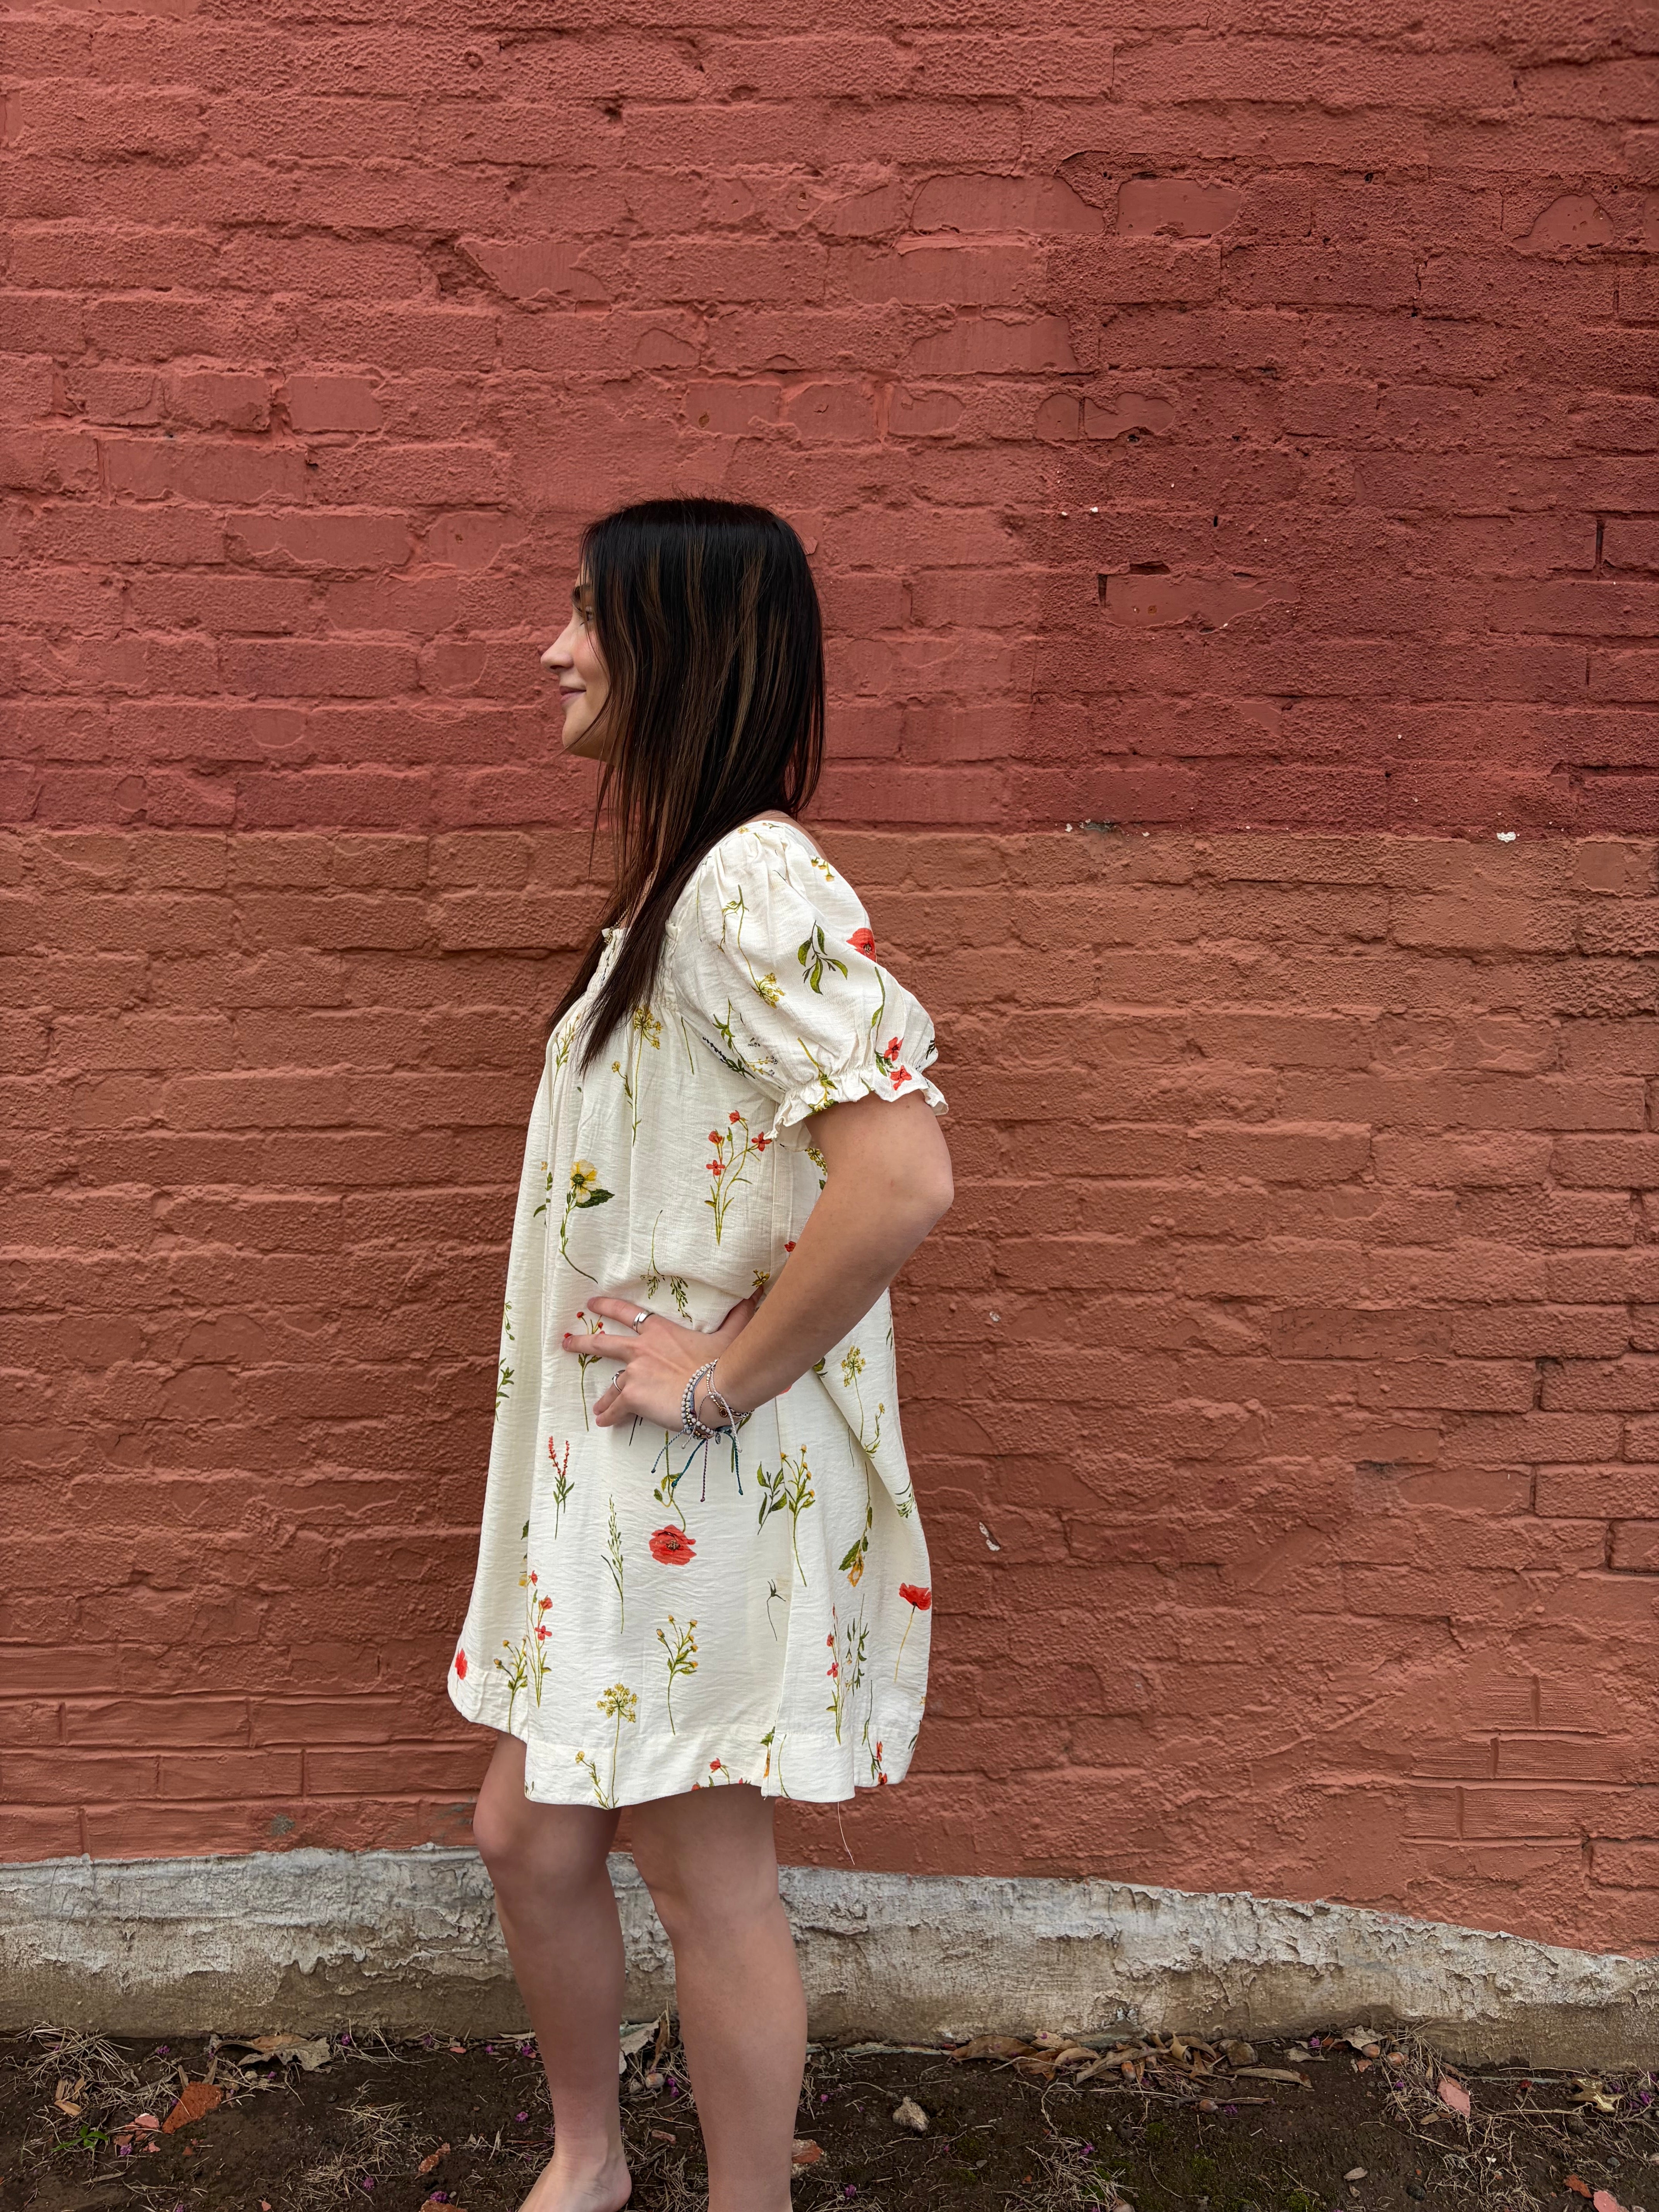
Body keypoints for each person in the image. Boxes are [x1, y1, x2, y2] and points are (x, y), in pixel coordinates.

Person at [445, 496, 953, 2212]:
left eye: (588, 615)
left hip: (698, 1474)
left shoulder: (754, 879)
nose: (554, 646)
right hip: (625, 1474)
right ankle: (590, 2158)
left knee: (704, 1875)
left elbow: (901, 1175)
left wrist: (720, 1370)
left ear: (679, 647)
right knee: (530, 1834)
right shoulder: (685, 886)